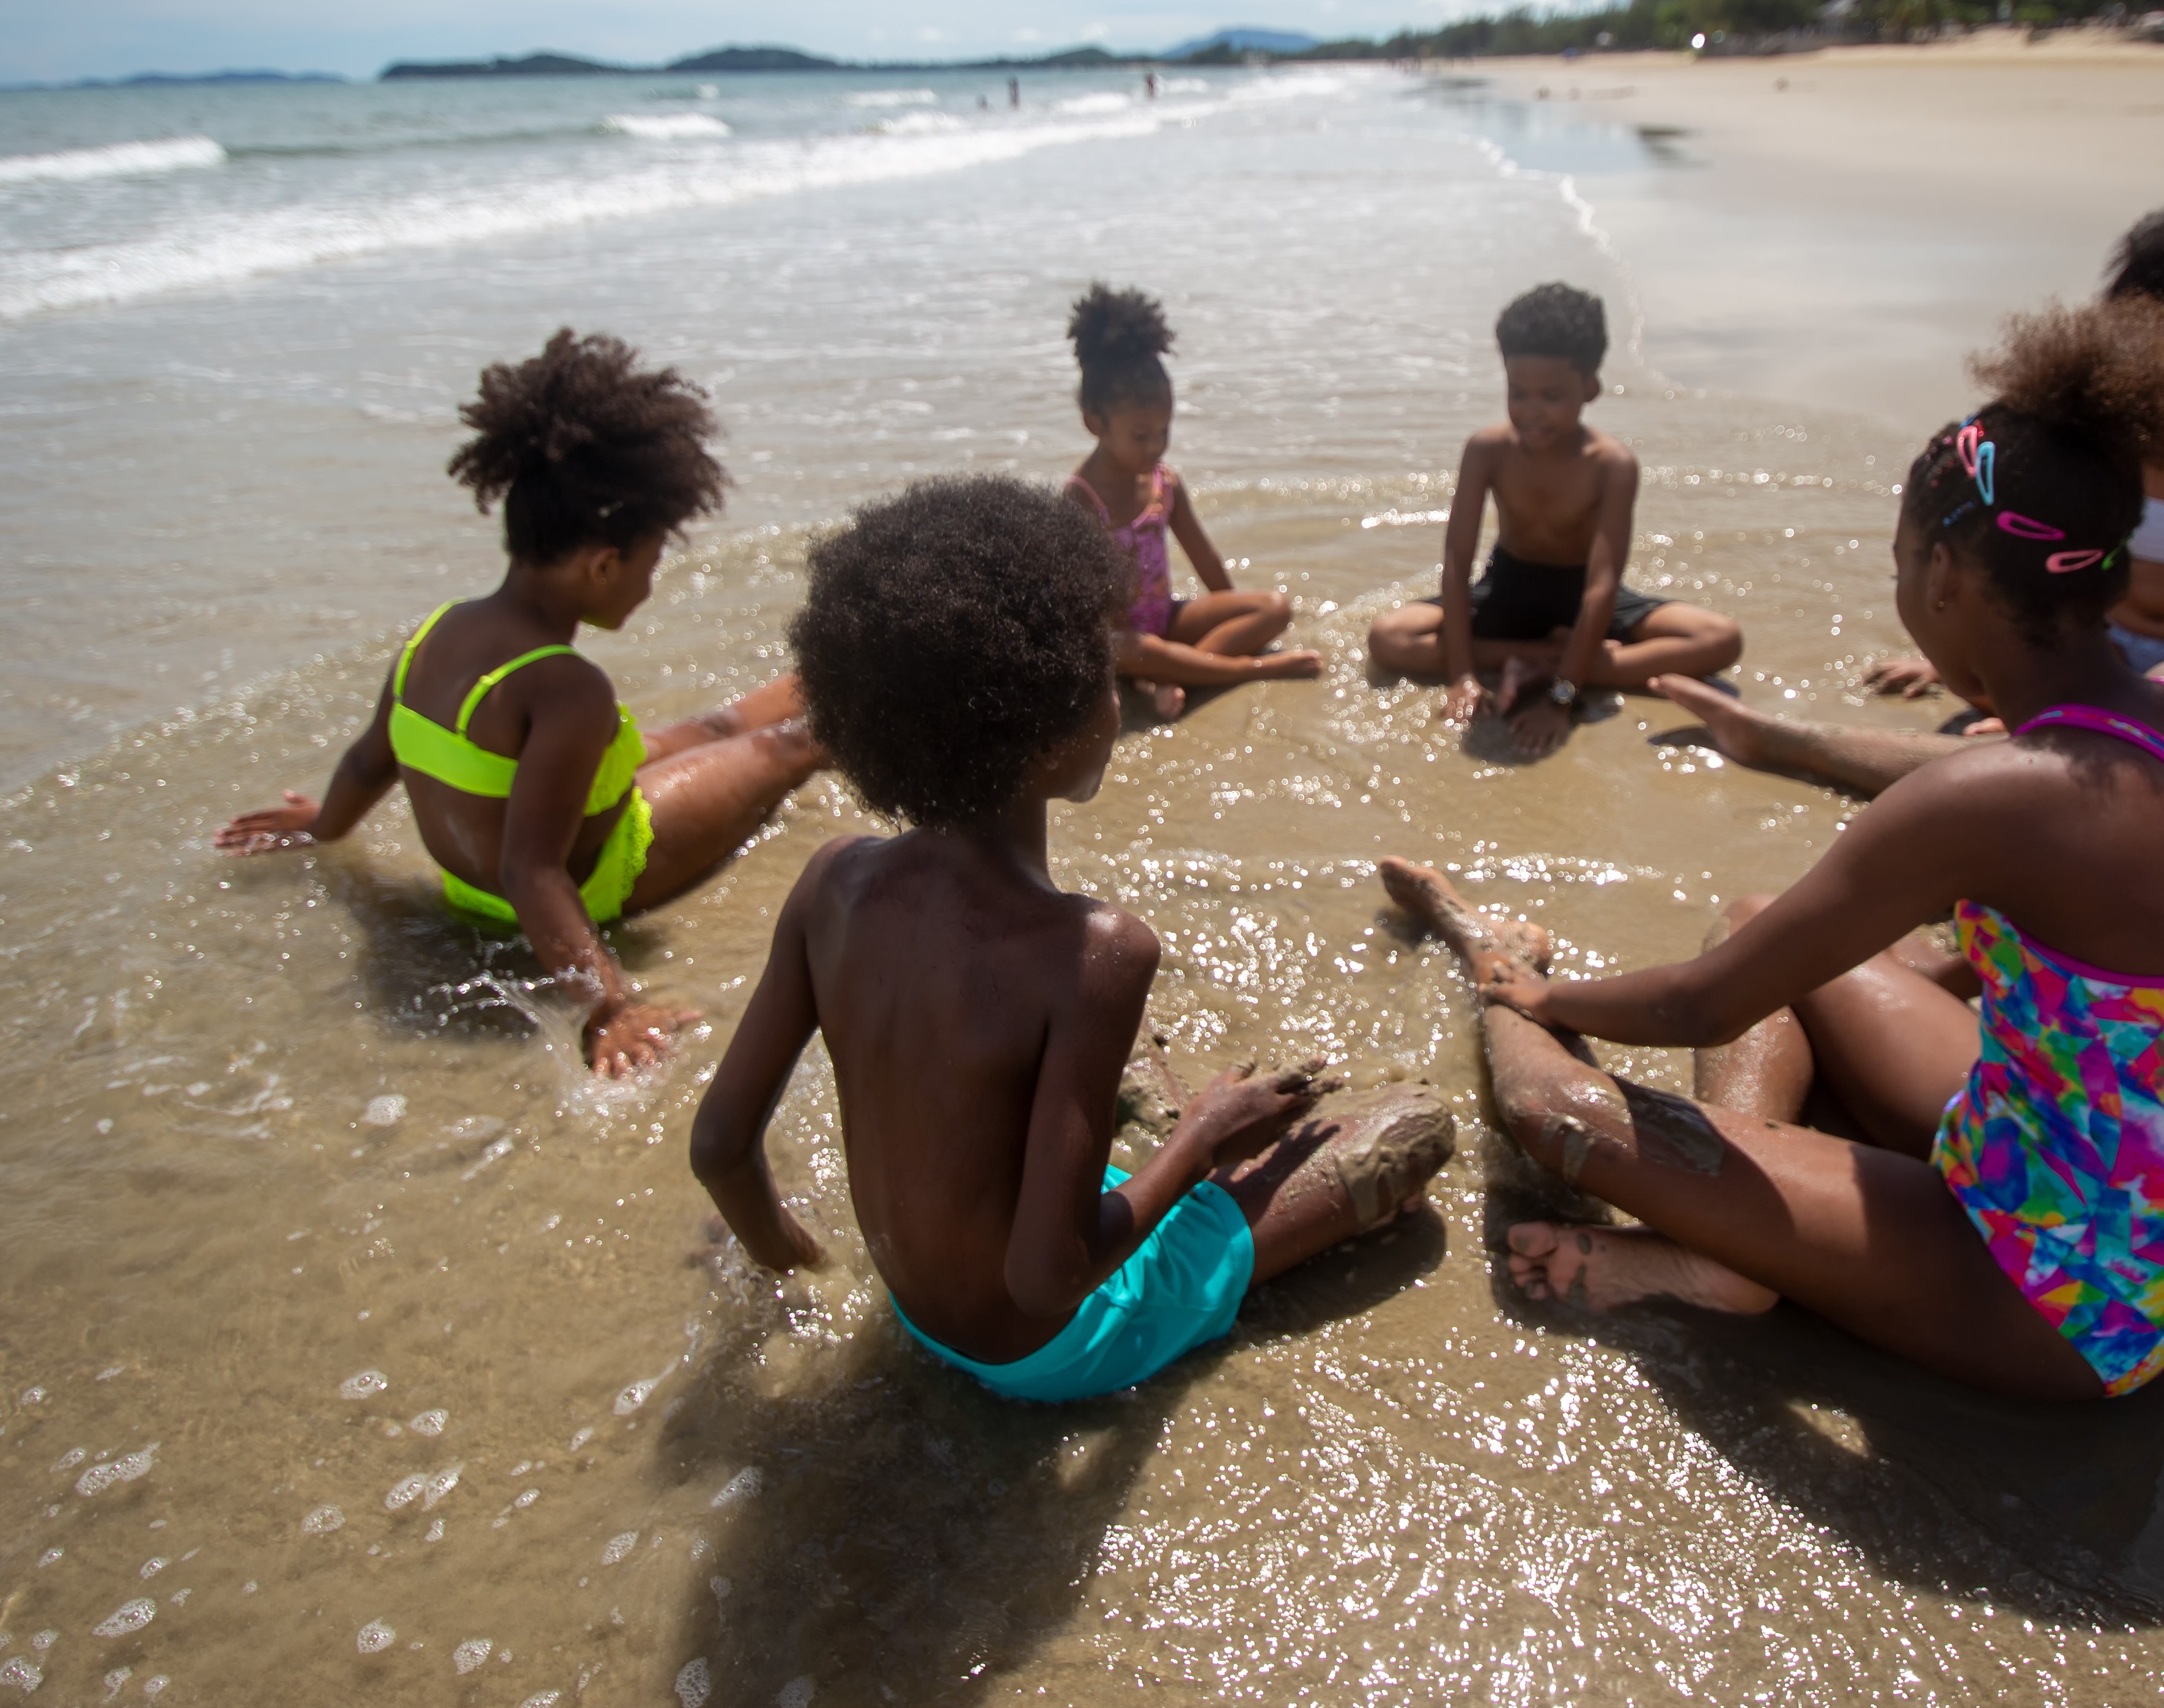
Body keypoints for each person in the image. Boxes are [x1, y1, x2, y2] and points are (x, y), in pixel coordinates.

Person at [1384, 299, 2164, 1401]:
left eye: (1905, 561)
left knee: (1556, 1112)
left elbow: (1697, 1012)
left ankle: (1489, 958)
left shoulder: (1988, 795)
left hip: (2064, 1307)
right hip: (2122, 1199)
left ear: (1949, 577)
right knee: (1764, 917)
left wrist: (1548, 996)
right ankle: (1744, 1237)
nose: (1905, 587)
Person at [690, 476, 1453, 1401]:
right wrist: (1204, 1141)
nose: (1116, 689)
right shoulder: (1095, 950)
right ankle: (1202, 1161)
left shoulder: (833, 879)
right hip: (1050, 1349)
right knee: (1412, 1126)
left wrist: (796, 1264)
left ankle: (1171, 1137)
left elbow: (722, 1143)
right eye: (1102, 671)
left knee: (1082, 1115)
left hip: (916, 1311)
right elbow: (1048, 1276)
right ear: (1049, 731)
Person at [215, 329, 824, 1078]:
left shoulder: (437, 633)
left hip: (478, 882)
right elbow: (531, 871)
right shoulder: (565, 687)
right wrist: (609, 1006)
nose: (651, 583)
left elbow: (372, 760)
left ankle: (837, 666)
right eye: (650, 563)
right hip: (595, 880)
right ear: (603, 564)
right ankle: (888, 693)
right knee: (788, 746)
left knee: (712, 727)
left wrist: (324, 826)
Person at [1663, 181, 2164, 787]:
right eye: (2163, 338)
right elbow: (1993, 547)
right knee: (2085, 757)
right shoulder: (2097, 434)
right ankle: (1791, 740)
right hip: (2093, 641)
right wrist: (1962, 645)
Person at [1363, 283, 1743, 753]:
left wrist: (1562, 698)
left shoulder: (1611, 465)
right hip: (1509, 585)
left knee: (1720, 639)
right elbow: (1458, 561)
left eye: (1552, 396)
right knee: (1389, 637)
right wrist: (1461, 675)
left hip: (1583, 594)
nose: (1531, 412)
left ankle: (1554, 666)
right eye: (1518, 393)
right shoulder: (1487, 450)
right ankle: (1555, 659)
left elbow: (1602, 587)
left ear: (1590, 389)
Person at [1059, 282, 1321, 719]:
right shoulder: (1081, 499)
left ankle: (1173, 677)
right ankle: (1251, 670)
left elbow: (1206, 559)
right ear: (1095, 424)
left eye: (1165, 431)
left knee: (1274, 608)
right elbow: (1077, 604)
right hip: (1121, 645)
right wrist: (1254, 651)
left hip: (1166, 622)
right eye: (1140, 436)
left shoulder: (1165, 484)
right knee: (1122, 645)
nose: (1156, 446)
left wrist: (1236, 618)